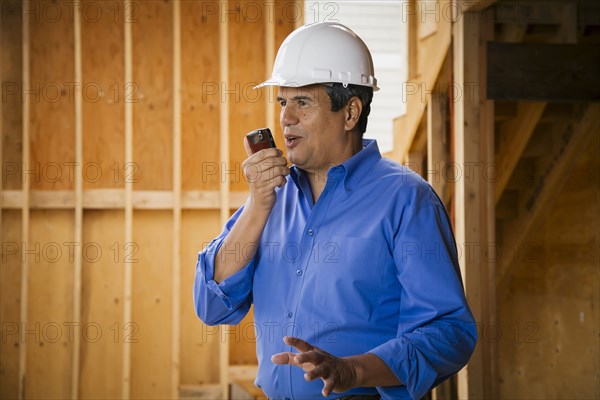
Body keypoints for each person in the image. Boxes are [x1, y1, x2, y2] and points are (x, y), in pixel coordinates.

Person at [193, 22, 476, 399]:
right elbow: (211, 305)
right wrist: (258, 204)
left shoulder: (407, 200)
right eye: (282, 102)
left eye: (303, 102)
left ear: (351, 113)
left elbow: (448, 333)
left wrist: (353, 370)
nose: (286, 118)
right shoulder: (269, 199)